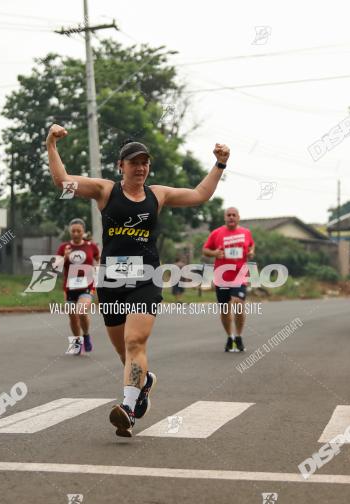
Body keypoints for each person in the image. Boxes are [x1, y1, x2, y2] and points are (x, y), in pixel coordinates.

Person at [47, 123, 230, 436]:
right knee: (124, 354)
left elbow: (200, 194)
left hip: (146, 278)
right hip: (111, 282)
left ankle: (128, 409)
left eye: (145, 162)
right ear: (121, 166)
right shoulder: (105, 191)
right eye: (134, 162)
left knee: (135, 342)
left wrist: (220, 164)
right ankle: (142, 383)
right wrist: (51, 144)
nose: (141, 167)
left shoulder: (158, 195)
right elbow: (62, 181)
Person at [202, 207, 255, 352]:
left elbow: (251, 246)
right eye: (228, 215)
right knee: (225, 309)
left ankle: (239, 335)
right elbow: (205, 250)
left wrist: (251, 252)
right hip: (222, 276)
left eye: (234, 215)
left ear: (238, 217)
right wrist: (214, 253)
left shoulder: (246, 233)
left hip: (240, 275)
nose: (231, 217)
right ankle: (230, 337)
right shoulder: (216, 233)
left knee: (238, 303)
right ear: (225, 217)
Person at [55, 218, 99, 355]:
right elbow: (55, 266)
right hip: (69, 288)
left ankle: (86, 335)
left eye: (78, 231)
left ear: (83, 232)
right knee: (73, 318)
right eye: (73, 231)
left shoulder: (91, 246)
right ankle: (77, 343)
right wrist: (65, 257)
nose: (75, 233)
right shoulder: (64, 247)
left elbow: (98, 261)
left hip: (87, 285)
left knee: (81, 311)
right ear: (70, 231)